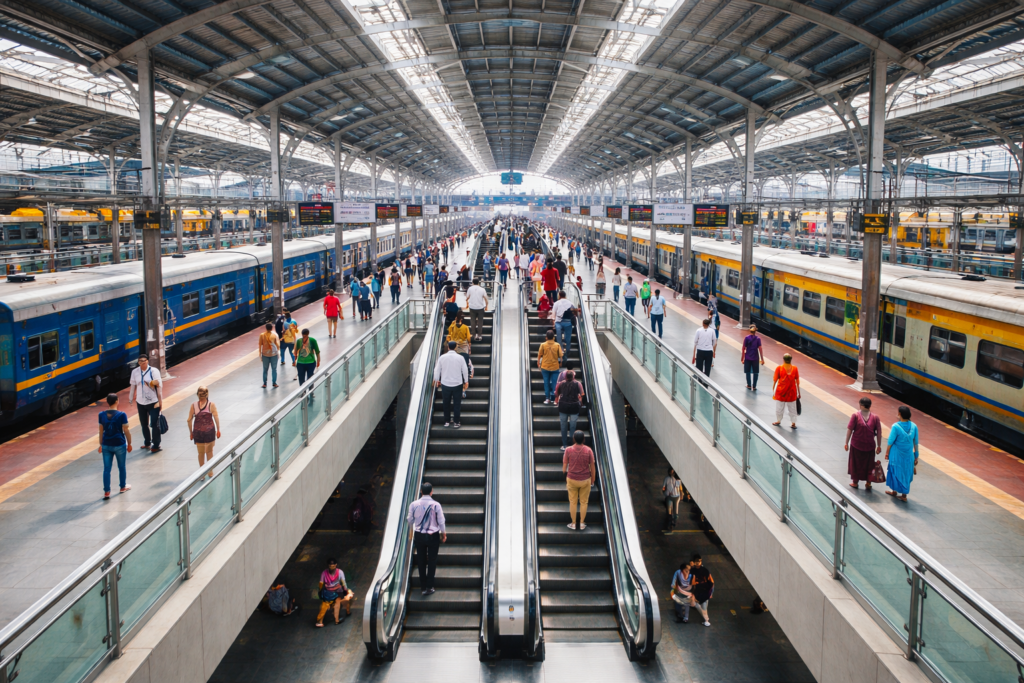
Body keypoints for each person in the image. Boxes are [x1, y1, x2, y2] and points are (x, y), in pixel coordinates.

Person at [408, 482, 446, 596]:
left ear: (421, 491)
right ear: (431, 492)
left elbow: (410, 520)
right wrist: (443, 533)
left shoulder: (413, 504)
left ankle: (423, 587)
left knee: (421, 560)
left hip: (419, 535)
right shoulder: (436, 505)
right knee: (432, 560)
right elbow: (441, 521)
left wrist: (411, 531)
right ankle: (430, 586)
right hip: (433, 535)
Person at [98, 393, 131, 500]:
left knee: (106, 469)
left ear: (107, 402)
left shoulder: (101, 414)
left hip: (106, 444)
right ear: (117, 401)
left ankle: (107, 492)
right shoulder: (122, 415)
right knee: (121, 467)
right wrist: (129, 443)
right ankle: (122, 486)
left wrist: (100, 444)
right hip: (119, 444)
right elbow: (126, 430)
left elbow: (100, 430)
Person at [846, 397, 882, 490]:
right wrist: (879, 446)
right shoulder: (875, 417)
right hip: (870, 445)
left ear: (860, 405)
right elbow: (879, 432)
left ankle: (855, 482)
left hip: (856, 444)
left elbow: (850, 429)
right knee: (869, 464)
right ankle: (868, 482)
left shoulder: (855, 415)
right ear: (870, 406)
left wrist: (846, 442)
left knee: (855, 463)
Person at [129, 354, 163, 453]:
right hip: (140, 401)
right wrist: (130, 398)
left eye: (143, 361)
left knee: (154, 424)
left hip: (153, 401)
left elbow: (159, 386)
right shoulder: (135, 372)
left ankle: (156, 444)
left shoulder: (154, 371)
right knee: (144, 424)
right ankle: (147, 442)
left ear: (147, 361)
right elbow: (133, 386)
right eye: (139, 361)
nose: (141, 363)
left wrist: (160, 401)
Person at [562, 430, 595, 530]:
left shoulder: (568, 450)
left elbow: (564, 466)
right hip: (585, 480)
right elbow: (592, 467)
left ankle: (573, 523)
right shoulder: (588, 450)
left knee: (573, 501)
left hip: (572, 479)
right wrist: (592, 480)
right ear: (584, 439)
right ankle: (581, 523)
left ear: (574, 439)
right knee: (584, 502)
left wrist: (565, 475)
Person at [885, 406, 919, 502]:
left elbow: (890, 441)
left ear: (899, 414)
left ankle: (894, 491)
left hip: (896, 454)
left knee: (894, 471)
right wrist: (916, 456)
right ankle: (904, 496)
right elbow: (916, 443)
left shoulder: (895, 426)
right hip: (909, 455)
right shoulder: (914, 426)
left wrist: (887, 453)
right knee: (906, 473)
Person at [434, 340, 469, 428]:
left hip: (445, 383)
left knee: (446, 403)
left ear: (448, 347)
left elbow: (437, 370)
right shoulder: (460, 358)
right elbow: (464, 370)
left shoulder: (442, 357)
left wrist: (436, 380)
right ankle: (456, 422)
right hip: (457, 383)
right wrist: (466, 381)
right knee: (457, 403)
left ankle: (447, 421)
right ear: (456, 347)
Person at [187, 385, 221, 478]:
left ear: (197, 394)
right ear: (207, 394)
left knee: (201, 453)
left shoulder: (193, 405)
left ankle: (202, 474)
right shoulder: (211, 405)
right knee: (209, 452)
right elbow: (216, 417)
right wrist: (218, 429)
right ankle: (210, 472)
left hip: (198, 432)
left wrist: (191, 433)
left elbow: (189, 420)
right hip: (209, 432)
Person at [315, 558, 354, 626]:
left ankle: (320, 622)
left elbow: (321, 583)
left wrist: (320, 592)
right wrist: (346, 590)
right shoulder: (340, 572)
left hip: (327, 593)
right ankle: (337, 619)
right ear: (336, 565)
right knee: (338, 602)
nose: (332, 567)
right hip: (337, 592)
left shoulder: (324, 572)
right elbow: (343, 583)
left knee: (324, 606)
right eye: (331, 565)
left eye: (332, 565)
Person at [554, 370, 585, 450]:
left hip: (563, 407)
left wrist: (557, 400)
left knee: (563, 426)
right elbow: (582, 394)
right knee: (572, 427)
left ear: (565, 377)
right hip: (574, 407)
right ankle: (572, 445)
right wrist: (581, 402)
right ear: (573, 376)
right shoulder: (578, 384)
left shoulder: (560, 384)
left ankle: (564, 445)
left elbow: (556, 393)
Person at [771, 353, 800, 429]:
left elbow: (775, 380)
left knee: (779, 407)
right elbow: (797, 382)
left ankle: (778, 420)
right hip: (792, 392)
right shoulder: (795, 368)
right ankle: (793, 423)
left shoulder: (779, 368)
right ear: (791, 360)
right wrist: (799, 393)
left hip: (781, 392)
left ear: (783, 360)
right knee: (792, 408)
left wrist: (773, 391)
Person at [538, 329, 563, 403]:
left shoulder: (543, 345)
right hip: (555, 367)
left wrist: (538, 363)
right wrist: (560, 362)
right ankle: (554, 398)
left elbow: (540, 355)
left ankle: (547, 398)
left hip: (545, 366)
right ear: (553, 337)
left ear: (546, 337)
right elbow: (560, 356)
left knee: (546, 383)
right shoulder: (557, 345)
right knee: (555, 383)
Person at [689, 554, 714, 626]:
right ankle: (706, 619)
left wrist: (710, 592)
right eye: (697, 561)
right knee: (700, 605)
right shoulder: (693, 571)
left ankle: (706, 619)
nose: (698, 563)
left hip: (704, 590)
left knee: (703, 606)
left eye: (699, 561)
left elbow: (711, 582)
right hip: (697, 590)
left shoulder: (705, 570)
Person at [551, 290, 576, 358]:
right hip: (568, 323)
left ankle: (560, 350)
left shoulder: (556, 303)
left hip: (558, 322)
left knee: (559, 338)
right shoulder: (571, 303)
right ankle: (567, 351)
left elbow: (553, 314)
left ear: (559, 296)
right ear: (565, 296)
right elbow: (574, 313)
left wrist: (553, 323)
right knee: (568, 339)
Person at [741, 325, 765, 390]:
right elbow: (760, 349)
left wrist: (742, 358)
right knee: (756, 372)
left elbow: (743, 348)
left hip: (748, 357)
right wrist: (762, 359)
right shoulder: (758, 339)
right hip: (755, 358)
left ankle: (749, 385)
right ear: (755, 331)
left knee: (748, 371)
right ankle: (754, 386)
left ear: (749, 330)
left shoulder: (746, 338)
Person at [465, 277, 488, 342]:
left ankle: (474, 334)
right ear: (478, 282)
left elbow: (467, 297)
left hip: (472, 307)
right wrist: (486, 306)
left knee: (473, 320)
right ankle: (480, 335)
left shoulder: (470, 289)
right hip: (480, 307)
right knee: (480, 321)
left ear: (472, 282)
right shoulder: (482, 289)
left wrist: (467, 303)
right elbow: (486, 298)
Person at [258, 322, 280, 389]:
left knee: (265, 370)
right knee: (274, 369)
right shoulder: (275, 335)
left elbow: (260, 345)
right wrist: (278, 353)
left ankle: (264, 383)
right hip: (274, 354)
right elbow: (278, 345)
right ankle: (274, 383)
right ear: (272, 328)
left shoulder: (262, 335)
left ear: (266, 328)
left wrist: (260, 354)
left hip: (265, 354)